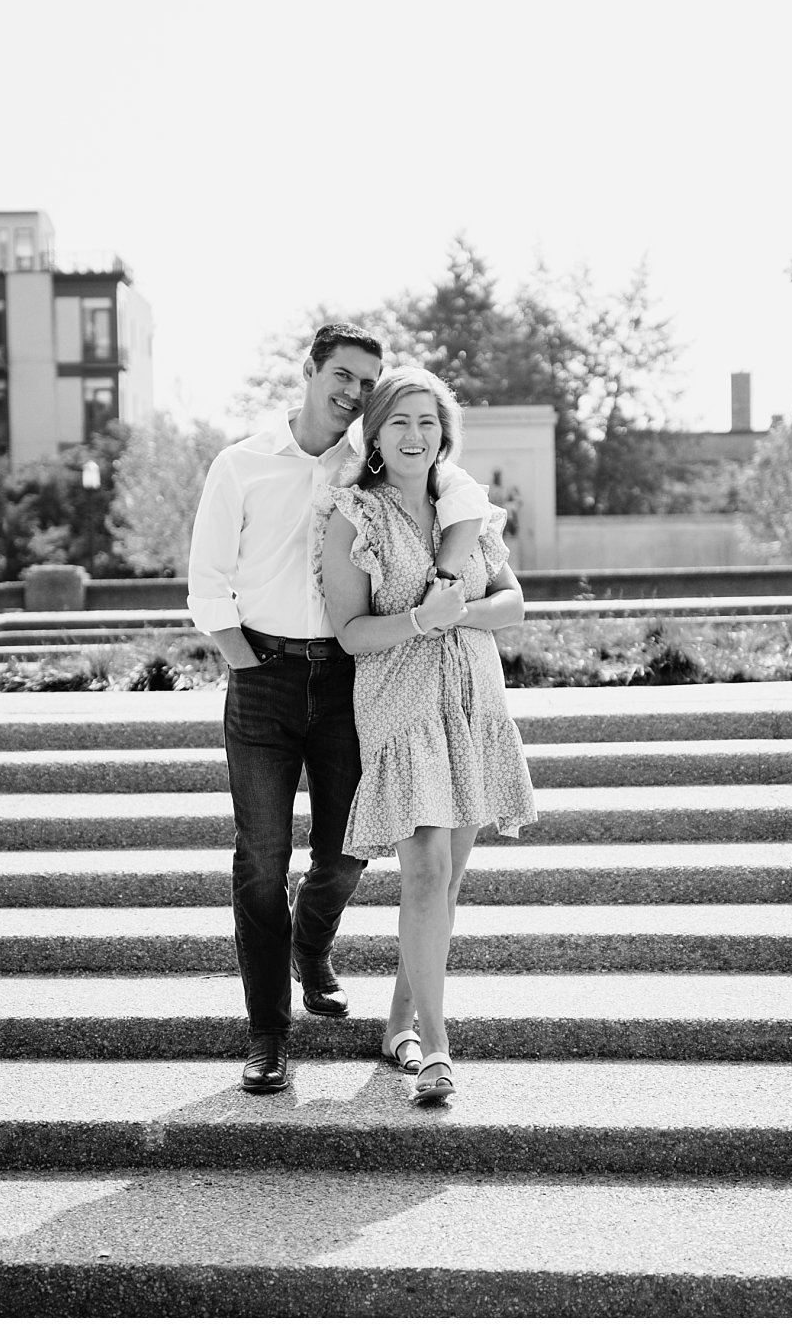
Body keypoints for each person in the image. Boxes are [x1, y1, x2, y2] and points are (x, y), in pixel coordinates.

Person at [187, 324, 490, 1094]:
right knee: (260, 861)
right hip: (264, 673)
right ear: (311, 372)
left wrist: (456, 570)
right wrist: (247, 663)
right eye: (344, 376)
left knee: (347, 850)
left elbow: (456, 495)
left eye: (367, 382)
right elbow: (206, 579)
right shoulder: (243, 463)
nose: (353, 392)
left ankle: (311, 942)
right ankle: (267, 1036)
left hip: (354, 680)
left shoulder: (373, 465)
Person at [318, 366, 537, 1105]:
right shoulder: (355, 515)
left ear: (446, 433)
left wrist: (459, 614)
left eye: (428, 422)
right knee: (423, 871)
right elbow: (349, 635)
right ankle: (438, 1051)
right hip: (400, 704)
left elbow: (510, 603)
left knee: (446, 881)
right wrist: (419, 620)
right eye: (399, 422)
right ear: (373, 435)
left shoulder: (463, 506)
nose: (415, 436)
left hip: (473, 702)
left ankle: (397, 1026)